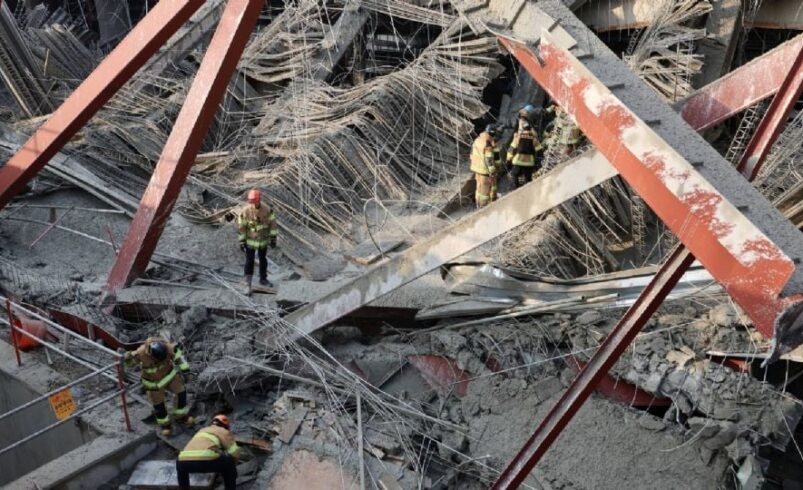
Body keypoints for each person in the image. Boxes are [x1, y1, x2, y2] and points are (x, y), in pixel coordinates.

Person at [123, 337, 193, 436]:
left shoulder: (168, 347)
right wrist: (127, 359)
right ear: (150, 353)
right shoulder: (141, 353)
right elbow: (130, 364)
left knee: (181, 393)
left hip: (169, 375)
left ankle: (180, 416)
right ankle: (165, 425)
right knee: (159, 405)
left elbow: (179, 357)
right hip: (153, 383)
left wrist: (185, 370)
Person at [176, 414, 240, 490]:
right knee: (229, 461)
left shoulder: (202, 431)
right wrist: (232, 468)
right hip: (206, 461)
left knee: (180, 466)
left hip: (183, 461)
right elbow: (234, 453)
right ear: (225, 426)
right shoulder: (223, 431)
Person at [237, 188, 278, 294]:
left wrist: (273, 238)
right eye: (250, 201)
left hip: (263, 240)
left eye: (253, 201)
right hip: (250, 240)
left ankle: (263, 279)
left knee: (263, 259)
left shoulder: (267, 209)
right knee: (249, 261)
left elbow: (273, 224)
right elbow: (242, 227)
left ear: (259, 199)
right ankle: (247, 284)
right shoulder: (245, 211)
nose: (252, 203)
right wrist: (242, 241)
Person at [470, 124, 501, 208]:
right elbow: (489, 159)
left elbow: (472, 154)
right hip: (485, 170)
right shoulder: (488, 143)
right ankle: (483, 206)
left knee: (479, 187)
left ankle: (478, 203)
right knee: (485, 190)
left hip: (476, 168)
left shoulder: (478, 139)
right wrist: (493, 171)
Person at [507, 119, 541, 188]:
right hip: (529, 163)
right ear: (530, 128)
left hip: (518, 161)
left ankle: (516, 189)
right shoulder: (534, 138)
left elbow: (511, 149)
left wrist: (508, 160)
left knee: (514, 175)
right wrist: (538, 163)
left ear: (523, 129)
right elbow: (539, 151)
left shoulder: (518, 137)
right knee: (528, 179)